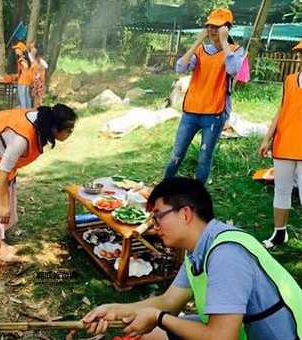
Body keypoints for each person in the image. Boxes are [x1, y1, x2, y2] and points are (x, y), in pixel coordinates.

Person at [81, 177, 301, 340]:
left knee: (157, 330)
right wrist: (114, 310)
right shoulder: (199, 249)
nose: (155, 227)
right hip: (241, 333)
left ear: (185, 214)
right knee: (149, 335)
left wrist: (158, 318)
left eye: (158, 216)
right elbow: (168, 303)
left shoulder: (226, 255)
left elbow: (220, 338)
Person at [0, 104, 77, 264]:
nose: (70, 133)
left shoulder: (41, 121)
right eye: (68, 130)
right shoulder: (22, 139)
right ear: (53, 128)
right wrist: (4, 206)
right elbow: (3, 174)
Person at [164, 8, 244, 184]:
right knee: (176, 154)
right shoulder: (200, 50)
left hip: (215, 112)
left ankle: (197, 198)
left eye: (217, 27)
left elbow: (233, 70)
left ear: (227, 28)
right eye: (209, 26)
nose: (212, 30)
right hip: (191, 110)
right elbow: (180, 68)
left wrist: (224, 43)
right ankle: (163, 189)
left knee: (204, 157)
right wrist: (196, 42)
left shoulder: (235, 51)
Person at [258, 40, 302, 249]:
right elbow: (281, 110)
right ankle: (279, 233)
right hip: (284, 144)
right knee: (281, 191)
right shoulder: (290, 80)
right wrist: (267, 139)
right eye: (301, 53)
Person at [12, 41, 33, 108]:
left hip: (23, 80)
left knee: (22, 97)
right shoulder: (26, 58)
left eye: (17, 49)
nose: (16, 50)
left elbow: (26, 67)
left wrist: (24, 71)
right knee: (27, 96)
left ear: (21, 50)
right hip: (27, 79)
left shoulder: (22, 59)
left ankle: (23, 111)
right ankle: (28, 110)